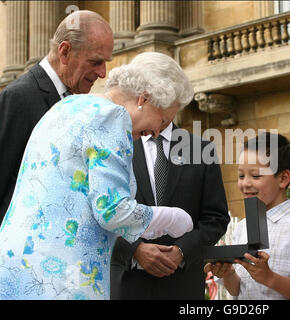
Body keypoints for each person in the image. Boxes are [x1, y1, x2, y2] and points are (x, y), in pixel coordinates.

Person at [0, 52, 196, 300]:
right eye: (164, 120)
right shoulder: (113, 116)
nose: (157, 132)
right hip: (61, 277)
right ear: (144, 99)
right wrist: (169, 217)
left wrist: (145, 229)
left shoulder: (68, 105)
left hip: (16, 267)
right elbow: (111, 210)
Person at [110, 54, 230, 300]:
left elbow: (216, 218)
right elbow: (98, 213)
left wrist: (181, 252)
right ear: (146, 95)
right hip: (126, 285)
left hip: (182, 287)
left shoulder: (200, 149)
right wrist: (136, 250)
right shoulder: (113, 145)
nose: (171, 114)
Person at [0, 10, 114, 223]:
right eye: (96, 61)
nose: (103, 73)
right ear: (65, 52)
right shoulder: (19, 97)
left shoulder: (76, 100)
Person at [204, 132, 290, 300]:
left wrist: (269, 277)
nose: (245, 183)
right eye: (241, 176)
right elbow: (236, 291)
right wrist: (227, 274)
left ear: (283, 178)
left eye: (255, 176)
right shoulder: (242, 226)